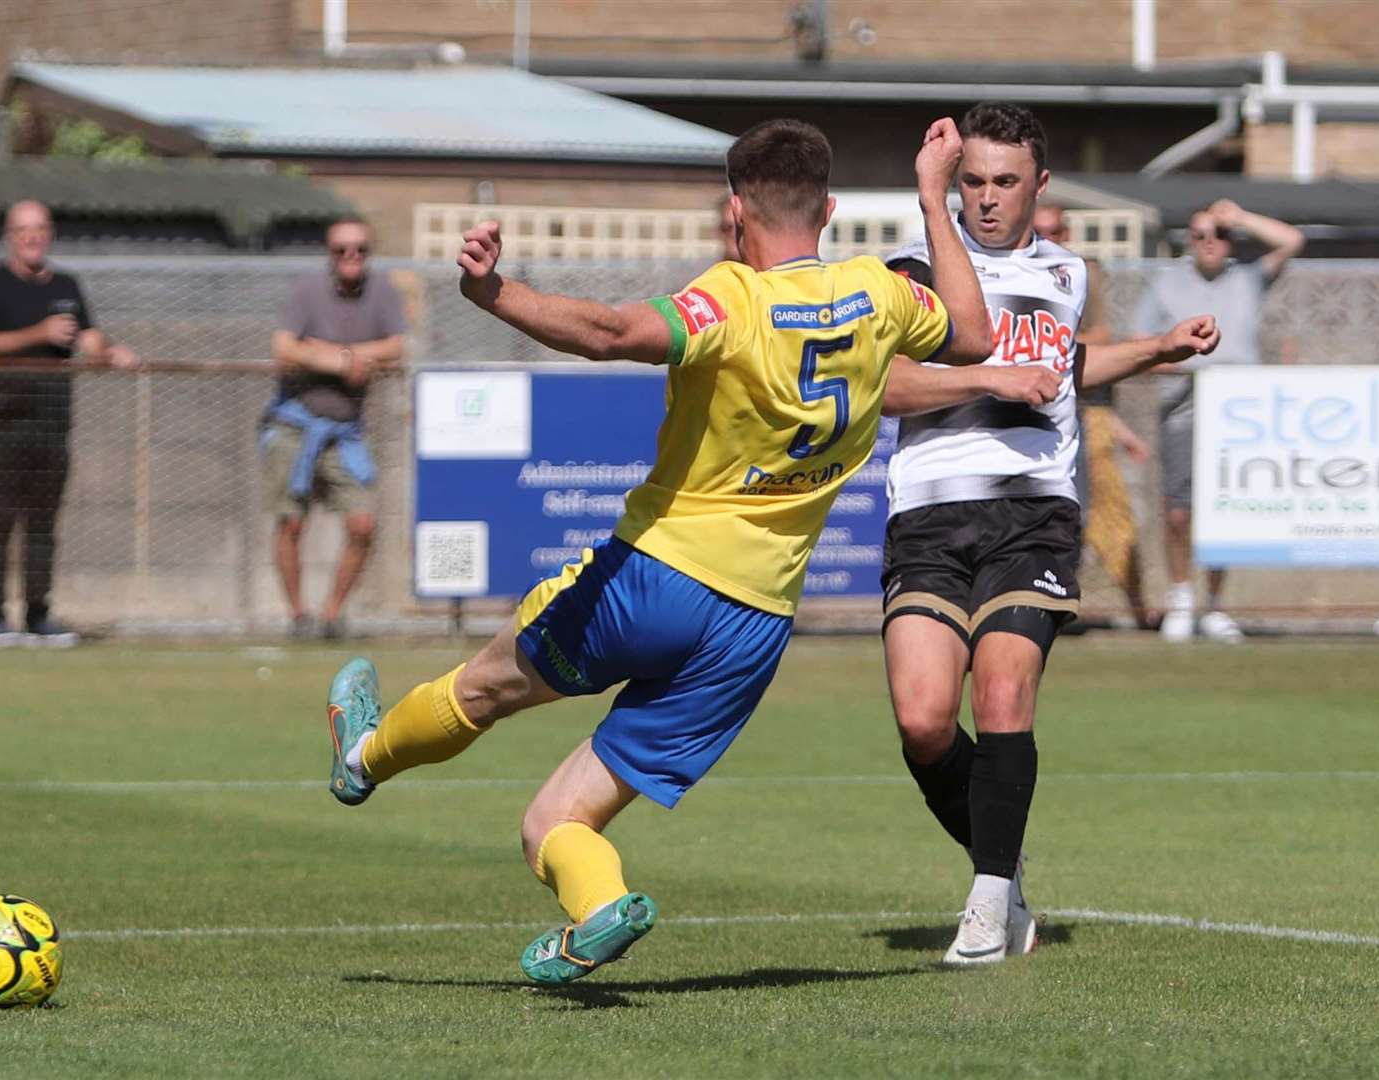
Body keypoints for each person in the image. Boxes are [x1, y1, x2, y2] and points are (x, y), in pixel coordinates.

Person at [322, 117, 1019, 985]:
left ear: (736, 214)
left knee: (481, 689)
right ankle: (599, 907)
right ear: (831, 208)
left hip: (654, 579)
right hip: (754, 625)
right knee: (556, 823)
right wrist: (930, 195)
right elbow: (974, 331)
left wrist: (495, 292)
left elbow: (612, 332)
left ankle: (362, 759)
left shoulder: (732, 298)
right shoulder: (877, 294)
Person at [876, 102, 1220, 966]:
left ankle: (987, 912)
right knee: (923, 722)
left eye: (1005, 182)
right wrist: (990, 375)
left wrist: (1156, 348)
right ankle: (1006, 868)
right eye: (973, 183)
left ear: (1039, 185)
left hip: (1032, 510)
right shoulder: (911, 271)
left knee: (1002, 696)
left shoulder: (1065, 272)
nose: (987, 199)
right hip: (927, 512)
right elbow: (886, 386)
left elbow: (1063, 367)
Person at [0, 200, 137, 648]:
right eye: (23, 229)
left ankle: (38, 612)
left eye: (40, 228)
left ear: (50, 233)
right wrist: (37, 335)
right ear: (9, 235)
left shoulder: (66, 285)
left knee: (43, 520)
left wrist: (108, 353)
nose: (32, 237)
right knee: (0, 517)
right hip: (4, 419)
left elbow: (89, 338)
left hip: (53, 420)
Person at [1132, 199, 1304, 643]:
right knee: (1177, 510)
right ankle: (1181, 599)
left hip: (1237, 412)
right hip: (1183, 407)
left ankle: (1214, 605)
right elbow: (1139, 348)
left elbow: (1292, 240)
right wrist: (1183, 363)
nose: (1211, 243)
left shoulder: (1247, 278)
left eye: (1220, 235)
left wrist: (1242, 217)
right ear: (1189, 241)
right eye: (1201, 235)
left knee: (1222, 510)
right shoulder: (1167, 284)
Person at [266, 216, 406, 640]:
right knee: (291, 524)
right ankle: (298, 617)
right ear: (329, 254)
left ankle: (331, 615)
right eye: (341, 249)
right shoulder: (308, 290)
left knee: (362, 524)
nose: (351, 257)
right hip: (295, 426)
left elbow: (397, 346)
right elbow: (284, 347)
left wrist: (331, 351)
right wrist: (345, 363)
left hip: (347, 433)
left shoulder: (382, 292)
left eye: (360, 249)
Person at [1031, 204, 1156, 629]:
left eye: (1058, 229)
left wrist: (1047, 344)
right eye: (1042, 229)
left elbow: (1101, 336)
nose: (1052, 236)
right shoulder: (1015, 270)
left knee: (1110, 511)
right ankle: (1053, 601)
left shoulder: (1082, 272)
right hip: (1032, 410)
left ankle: (1140, 607)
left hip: (1088, 410)